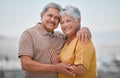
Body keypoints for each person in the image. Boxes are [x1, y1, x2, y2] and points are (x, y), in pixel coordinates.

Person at [18, 2, 91, 78]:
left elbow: (74, 34)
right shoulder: (29, 34)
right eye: (50, 15)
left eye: (57, 18)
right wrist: (55, 67)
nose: (53, 20)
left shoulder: (61, 37)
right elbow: (25, 64)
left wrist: (84, 29)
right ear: (42, 15)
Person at [49, 5, 97, 78]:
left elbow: (81, 70)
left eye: (68, 21)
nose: (65, 25)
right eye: (62, 22)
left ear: (78, 21)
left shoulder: (83, 39)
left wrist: (58, 64)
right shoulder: (65, 41)